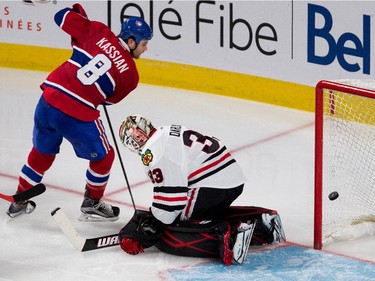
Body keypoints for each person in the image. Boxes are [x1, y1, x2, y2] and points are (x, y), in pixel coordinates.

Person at [6, 4, 152, 221]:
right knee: (105, 157)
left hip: (48, 99)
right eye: (143, 44)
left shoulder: (97, 30)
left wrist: (78, 15)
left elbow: (61, 16)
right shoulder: (131, 76)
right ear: (130, 41)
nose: (145, 49)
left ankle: (20, 200)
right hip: (77, 114)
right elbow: (107, 101)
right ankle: (92, 201)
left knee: (42, 152)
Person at [117, 115, 285, 265]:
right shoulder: (166, 130)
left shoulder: (155, 151)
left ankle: (233, 236)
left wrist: (148, 229)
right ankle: (261, 222)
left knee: (176, 228)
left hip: (210, 185)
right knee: (203, 215)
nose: (138, 137)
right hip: (229, 180)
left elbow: (171, 202)